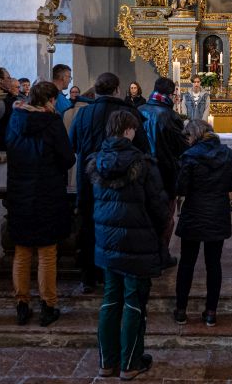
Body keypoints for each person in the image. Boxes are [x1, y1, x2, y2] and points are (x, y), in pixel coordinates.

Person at [89, 110, 169, 379]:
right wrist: (159, 232)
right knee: (134, 301)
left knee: (111, 298)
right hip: (137, 241)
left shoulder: (97, 161)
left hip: (107, 240)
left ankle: (106, 362)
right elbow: (159, 206)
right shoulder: (142, 163)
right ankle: (130, 363)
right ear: (127, 131)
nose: (135, 133)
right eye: (133, 129)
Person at [70, 72, 150, 292]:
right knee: (119, 226)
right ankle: (116, 276)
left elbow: (73, 145)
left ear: (96, 90)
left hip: (89, 181)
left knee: (88, 225)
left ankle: (88, 276)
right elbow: (144, 148)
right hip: (123, 185)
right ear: (117, 89)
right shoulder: (129, 113)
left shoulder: (83, 114)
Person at [5, 81, 75, 326]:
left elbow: (10, 150)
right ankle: (48, 304)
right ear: (50, 101)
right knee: (46, 252)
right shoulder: (52, 122)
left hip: (20, 192)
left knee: (22, 251)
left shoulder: (15, 119)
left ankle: (22, 304)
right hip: (47, 192)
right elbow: (67, 158)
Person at [173, 119, 232, 327]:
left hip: (194, 212)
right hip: (217, 213)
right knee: (214, 264)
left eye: (188, 136)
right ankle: (211, 312)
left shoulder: (190, 156)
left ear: (195, 135)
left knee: (187, 263)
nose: (187, 140)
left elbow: (181, 188)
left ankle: (181, 310)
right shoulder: (227, 154)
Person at [139, 77, 188, 267]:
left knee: (145, 215)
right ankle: (161, 256)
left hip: (142, 171)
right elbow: (181, 147)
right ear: (170, 94)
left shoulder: (140, 110)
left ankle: (146, 254)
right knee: (165, 218)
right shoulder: (170, 116)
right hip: (165, 173)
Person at [0, 69, 19, 152]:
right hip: (1, 140)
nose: (10, 80)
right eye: (8, 78)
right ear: (0, 80)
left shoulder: (8, 96)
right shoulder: (0, 97)